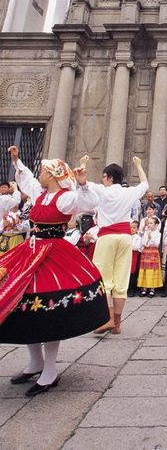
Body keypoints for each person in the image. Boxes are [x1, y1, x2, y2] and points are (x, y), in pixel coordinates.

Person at [0, 146, 109, 397]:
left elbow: (89, 202)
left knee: (48, 311)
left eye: (43, 171)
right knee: (23, 306)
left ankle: (49, 370)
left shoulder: (65, 197)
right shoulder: (40, 194)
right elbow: (26, 180)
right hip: (30, 252)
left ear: (51, 175)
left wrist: (82, 184)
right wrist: (17, 161)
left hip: (53, 256)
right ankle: (35, 362)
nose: (39, 174)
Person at [75, 155, 149, 335]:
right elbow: (145, 184)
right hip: (125, 237)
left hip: (107, 237)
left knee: (104, 279)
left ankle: (107, 319)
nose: (102, 179)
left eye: (104, 176)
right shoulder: (128, 192)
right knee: (121, 281)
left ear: (109, 177)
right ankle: (117, 323)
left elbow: (83, 184)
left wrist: (83, 165)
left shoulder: (102, 190)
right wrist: (138, 166)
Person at [137, 216, 163, 297]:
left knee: (152, 271)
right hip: (145, 252)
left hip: (153, 252)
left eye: (151, 223)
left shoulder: (158, 233)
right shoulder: (146, 232)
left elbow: (156, 244)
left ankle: (152, 289)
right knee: (144, 270)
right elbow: (144, 243)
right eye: (148, 223)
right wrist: (147, 240)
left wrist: (150, 238)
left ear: (156, 225)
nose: (149, 225)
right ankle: (144, 288)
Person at [128, 221, 141, 297]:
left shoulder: (137, 238)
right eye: (130, 227)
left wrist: (129, 245)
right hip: (127, 256)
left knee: (133, 274)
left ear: (137, 229)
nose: (132, 229)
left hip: (134, 256)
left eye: (134, 228)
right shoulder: (126, 236)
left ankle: (132, 290)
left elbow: (136, 247)